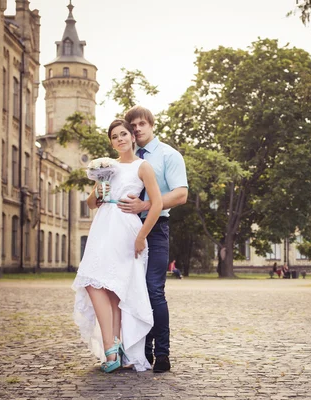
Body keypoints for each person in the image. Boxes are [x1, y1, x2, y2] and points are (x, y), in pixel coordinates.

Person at [71, 119, 163, 373]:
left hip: (126, 228)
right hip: (103, 226)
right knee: (97, 283)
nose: (120, 139)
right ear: (111, 143)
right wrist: (99, 189)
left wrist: (142, 236)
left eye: (123, 134)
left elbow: (155, 204)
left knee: (115, 288)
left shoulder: (142, 167)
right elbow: (91, 203)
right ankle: (114, 348)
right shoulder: (107, 167)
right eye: (114, 137)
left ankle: (114, 352)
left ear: (133, 137)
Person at [117, 105, 188, 373]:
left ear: (151, 124)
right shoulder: (127, 159)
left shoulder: (169, 155)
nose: (136, 129)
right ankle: (139, 353)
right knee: (129, 290)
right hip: (126, 229)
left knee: (153, 289)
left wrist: (145, 206)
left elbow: (181, 195)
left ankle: (163, 354)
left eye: (141, 124)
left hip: (157, 228)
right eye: (132, 125)